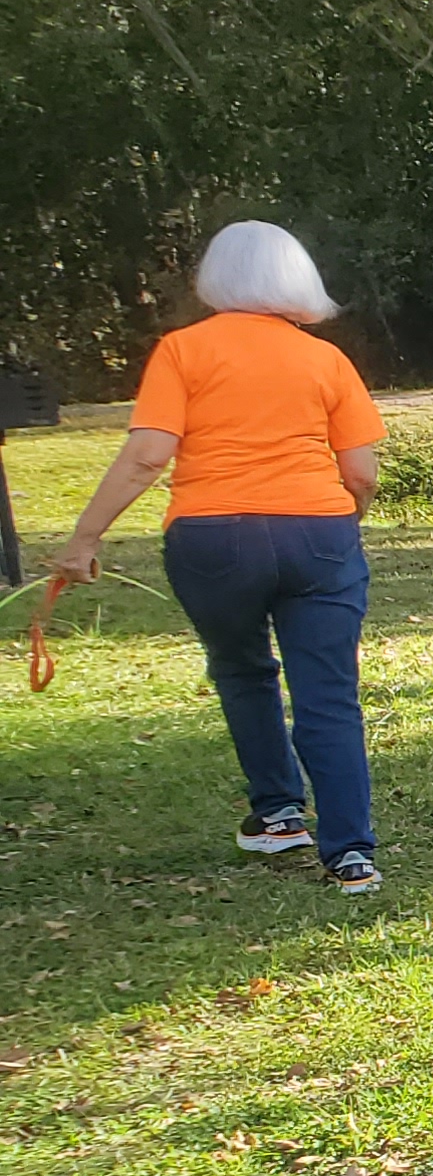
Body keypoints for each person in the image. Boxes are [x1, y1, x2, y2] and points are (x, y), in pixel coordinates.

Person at [51, 222, 388, 891]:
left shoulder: (181, 351)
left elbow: (148, 453)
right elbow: (362, 471)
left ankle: (279, 811)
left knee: (242, 671)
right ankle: (350, 852)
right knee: (328, 694)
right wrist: (343, 522)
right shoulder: (326, 360)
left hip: (211, 536)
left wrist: (85, 537)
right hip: (318, 533)